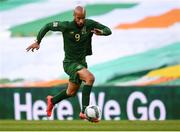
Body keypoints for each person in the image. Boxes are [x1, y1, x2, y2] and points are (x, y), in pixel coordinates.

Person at [26, 6, 112, 122]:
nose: (81, 21)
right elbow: (47, 26)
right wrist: (38, 41)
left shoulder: (90, 24)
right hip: (70, 63)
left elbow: (108, 30)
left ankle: (52, 101)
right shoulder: (66, 26)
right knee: (90, 78)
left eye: (83, 18)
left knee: (71, 92)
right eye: (78, 18)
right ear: (74, 16)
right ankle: (84, 112)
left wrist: (101, 32)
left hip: (82, 63)